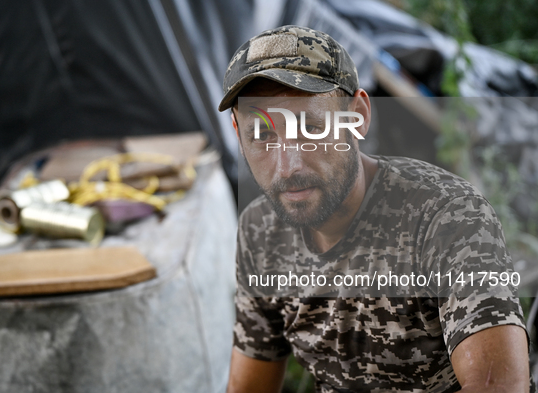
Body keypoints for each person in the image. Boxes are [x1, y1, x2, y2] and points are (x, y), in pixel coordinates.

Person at [218, 25, 533, 393]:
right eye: (263, 135)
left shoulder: (447, 216)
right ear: (238, 133)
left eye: (312, 128)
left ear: (359, 116)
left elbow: (501, 387)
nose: (289, 167)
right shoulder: (260, 230)